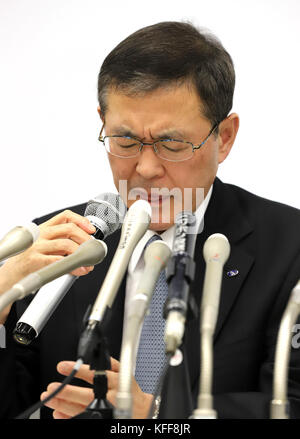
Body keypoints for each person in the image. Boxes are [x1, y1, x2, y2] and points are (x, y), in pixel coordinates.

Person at [0, 21, 300, 419]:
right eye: (124, 141)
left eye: (171, 143)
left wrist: (160, 417)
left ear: (224, 137)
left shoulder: (289, 247)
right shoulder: (58, 247)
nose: (145, 168)